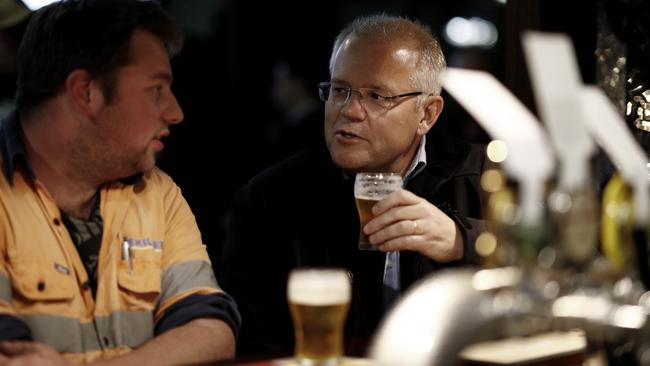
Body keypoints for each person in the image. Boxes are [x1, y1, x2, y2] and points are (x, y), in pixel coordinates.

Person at [221, 14, 487, 357]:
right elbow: (254, 340)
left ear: (427, 114)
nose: (349, 111)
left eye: (377, 96)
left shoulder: (482, 176)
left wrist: (460, 240)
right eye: (340, 90)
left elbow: (546, 268)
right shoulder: (270, 198)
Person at [0, 0, 240, 364]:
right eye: (156, 90)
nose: (176, 112)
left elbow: (212, 333)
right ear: (86, 93)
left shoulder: (157, 193)